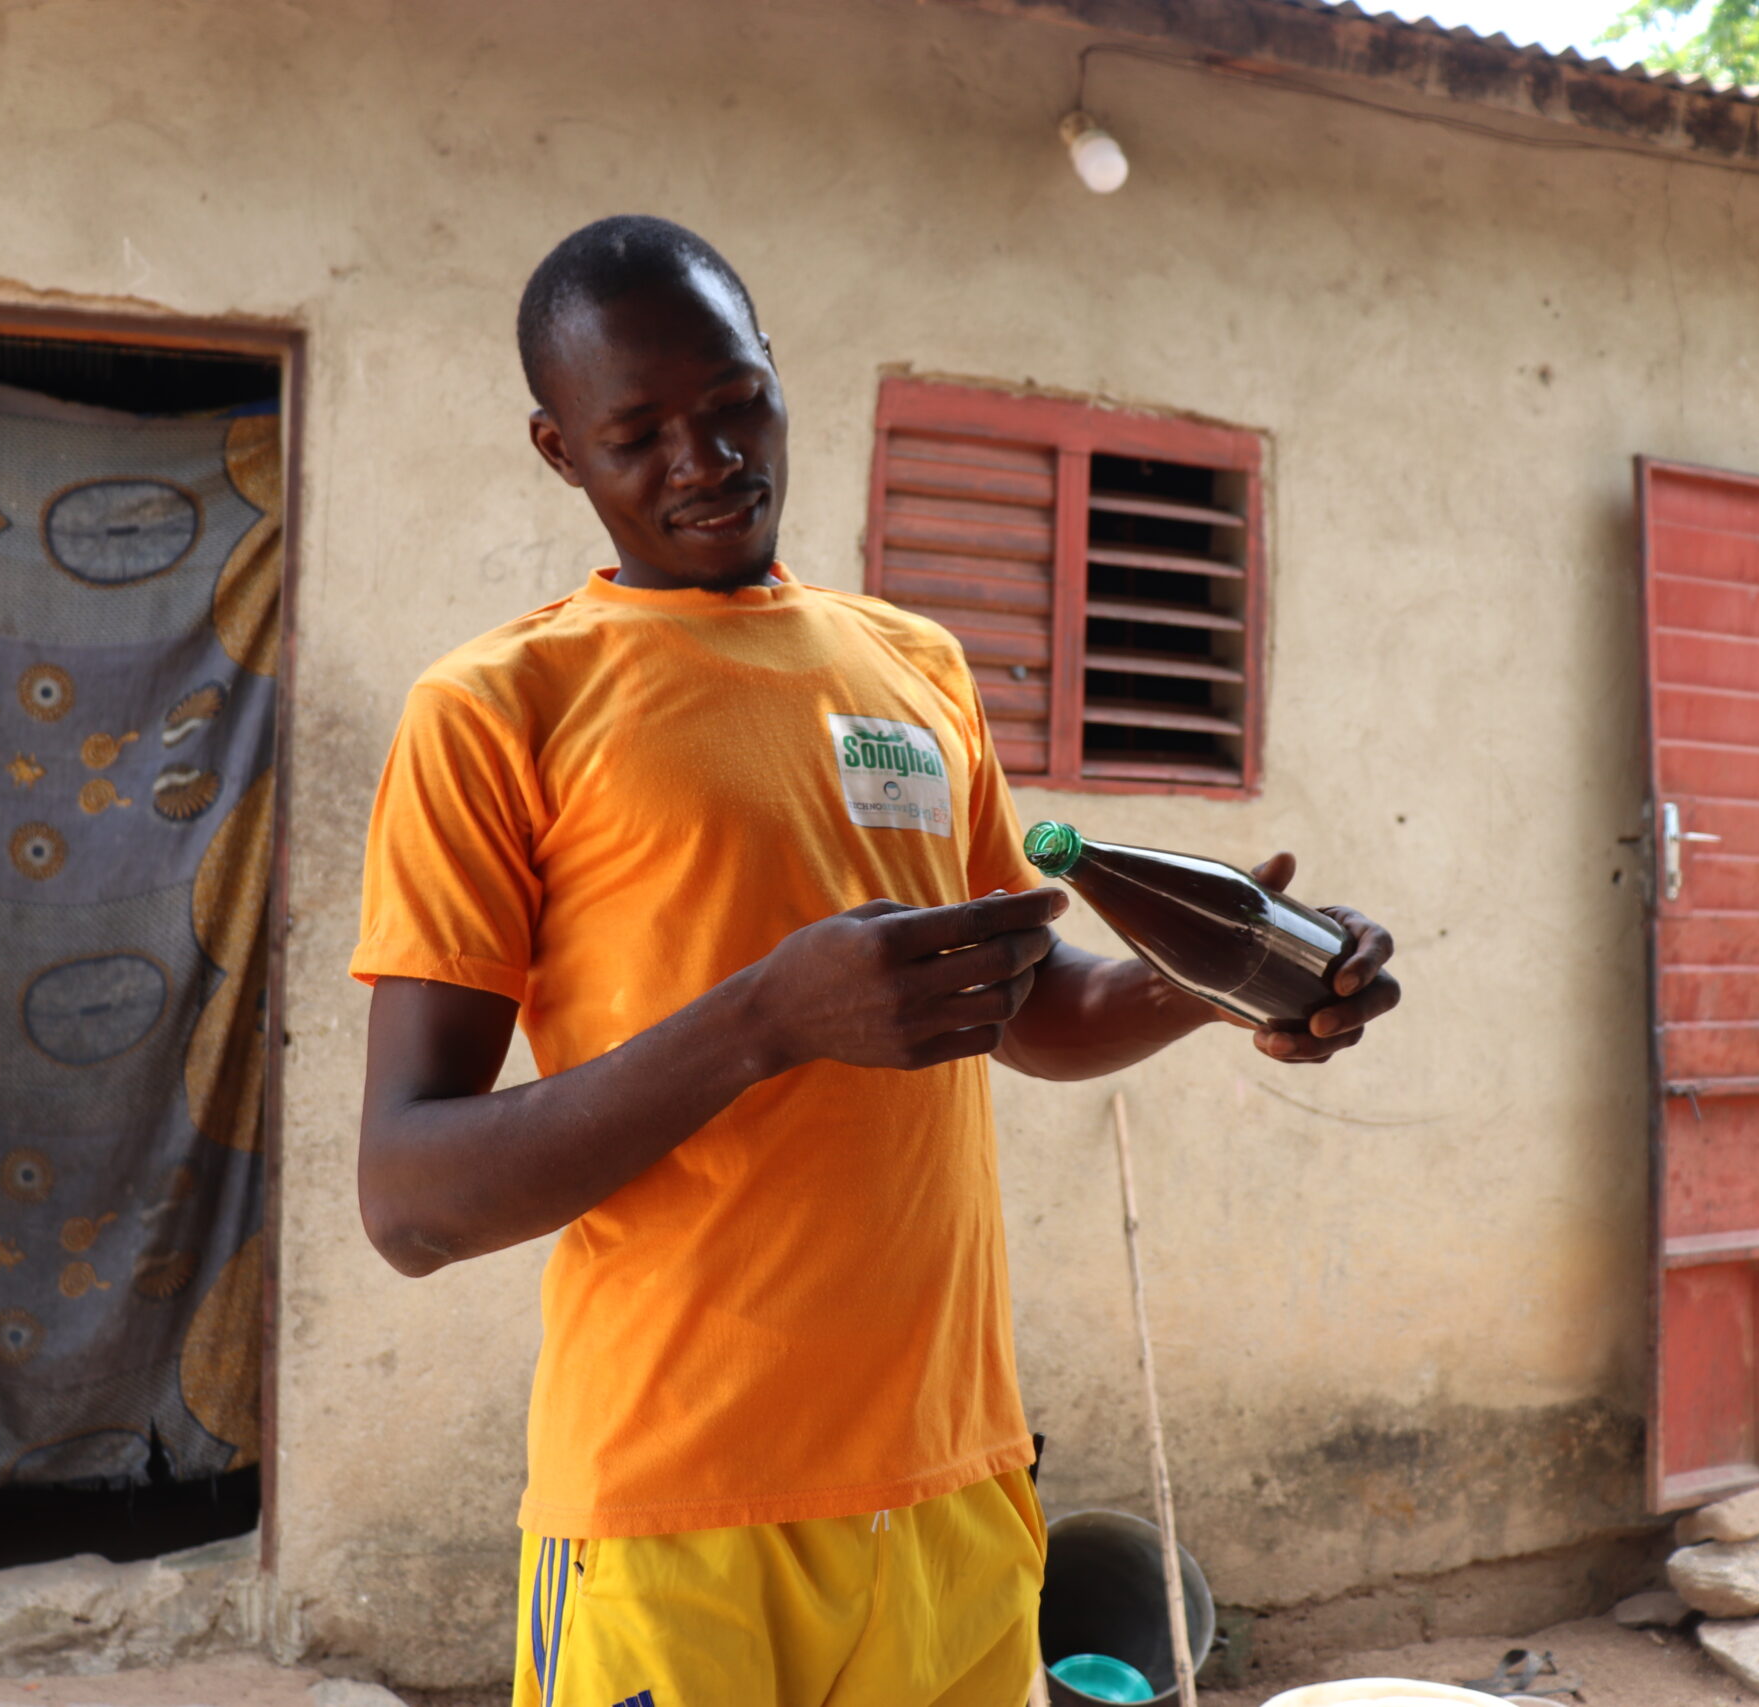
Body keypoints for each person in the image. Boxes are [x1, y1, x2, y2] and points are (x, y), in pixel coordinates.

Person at [352, 216, 1401, 1707]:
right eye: (638, 433)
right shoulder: (495, 709)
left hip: (957, 1489)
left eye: (732, 404)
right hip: (673, 1517)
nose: (704, 458)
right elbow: (408, 1199)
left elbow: (1026, 1013)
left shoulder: (914, 666)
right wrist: (761, 1022)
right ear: (556, 450)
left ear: (779, 376)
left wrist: (1234, 983)